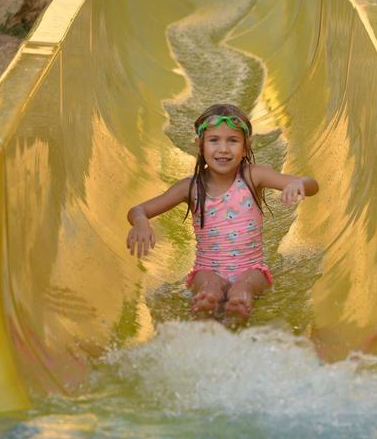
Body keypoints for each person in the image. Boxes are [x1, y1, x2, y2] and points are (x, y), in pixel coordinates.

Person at [127, 103, 319, 321]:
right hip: (207, 270)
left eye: (233, 141)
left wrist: (299, 184)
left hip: (251, 269)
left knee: (243, 286)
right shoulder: (189, 187)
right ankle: (208, 303)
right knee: (209, 286)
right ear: (199, 146)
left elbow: (312, 185)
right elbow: (139, 209)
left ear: (246, 147)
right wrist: (141, 222)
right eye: (214, 140)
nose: (224, 149)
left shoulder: (253, 175)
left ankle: (239, 303)